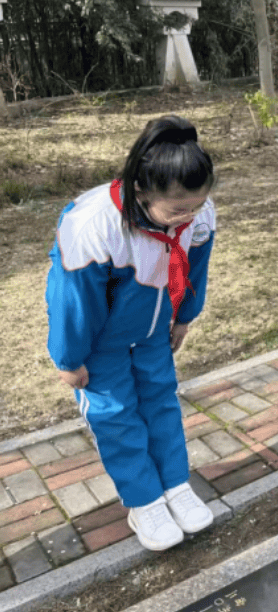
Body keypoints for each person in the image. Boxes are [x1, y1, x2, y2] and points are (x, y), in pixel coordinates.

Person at [46, 115, 217, 552]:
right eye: (178, 210)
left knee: (161, 400)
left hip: (154, 332)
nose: (189, 217)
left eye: (196, 205)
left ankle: (175, 485)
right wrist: (69, 358)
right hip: (102, 342)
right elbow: (72, 299)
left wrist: (183, 318)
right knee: (117, 415)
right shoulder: (95, 225)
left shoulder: (195, 215)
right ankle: (144, 500)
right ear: (141, 191)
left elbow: (195, 267)